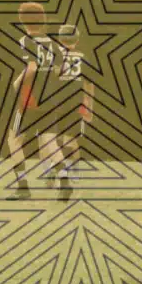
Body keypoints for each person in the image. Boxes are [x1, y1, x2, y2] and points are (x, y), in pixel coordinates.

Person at [6, 2, 60, 201]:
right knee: (48, 139)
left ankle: (22, 187)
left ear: (23, 20)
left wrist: (19, 81)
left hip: (30, 98)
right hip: (49, 96)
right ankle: (60, 175)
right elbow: (56, 70)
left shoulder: (26, 40)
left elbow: (31, 68)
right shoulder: (52, 42)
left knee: (14, 139)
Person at [52, 24, 95, 199]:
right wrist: (89, 105)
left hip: (58, 103)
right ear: (77, 41)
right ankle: (74, 170)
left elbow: (51, 78)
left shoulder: (56, 57)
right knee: (71, 139)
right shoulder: (83, 57)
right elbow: (89, 84)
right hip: (75, 102)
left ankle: (62, 172)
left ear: (60, 39)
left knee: (55, 140)